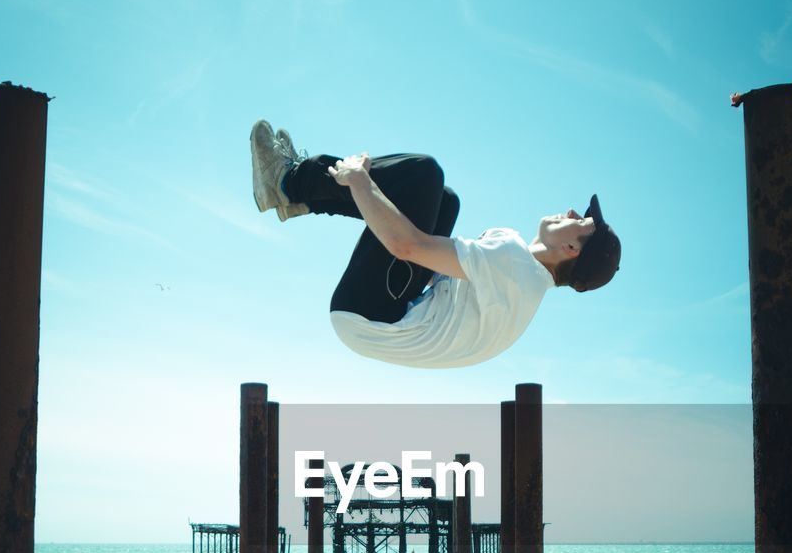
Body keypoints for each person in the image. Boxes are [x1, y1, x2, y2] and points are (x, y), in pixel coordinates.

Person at [250, 119, 621, 370]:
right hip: (381, 322)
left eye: (582, 222)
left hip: (369, 315)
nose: (573, 212)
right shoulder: (524, 289)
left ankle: (288, 181)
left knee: (422, 174)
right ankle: (304, 201)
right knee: (445, 201)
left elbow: (405, 247)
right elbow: (432, 281)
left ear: (572, 250)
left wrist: (359, 180)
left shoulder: (513, 260)